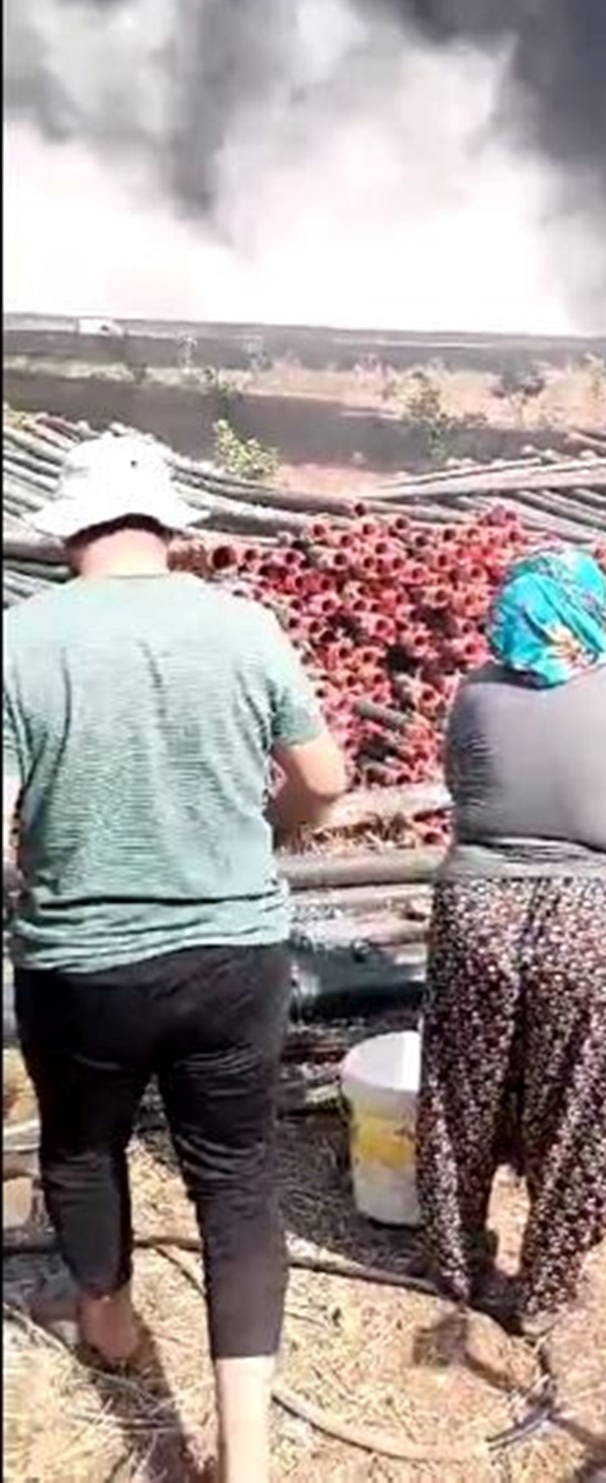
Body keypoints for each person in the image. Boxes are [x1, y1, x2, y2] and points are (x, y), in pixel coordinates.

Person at [2, 433, 347, 1483]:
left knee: (80, 1147)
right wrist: (277, 828)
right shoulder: (242, 624)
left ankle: (106, 1322)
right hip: (233, 954)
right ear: (168, 525)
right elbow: (323, 778)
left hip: (81, 965)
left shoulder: (19, 637)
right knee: (237, 1181)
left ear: (70, 529)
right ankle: (244, 1459)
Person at [416, 546, 606, 1339]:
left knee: (464, 1093)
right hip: (602, 921)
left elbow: (462, 789)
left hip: (479, 912)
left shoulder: (474, 694)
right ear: (591, 609)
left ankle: (455, 1261)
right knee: (582, 1106)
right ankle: (544, 1291)